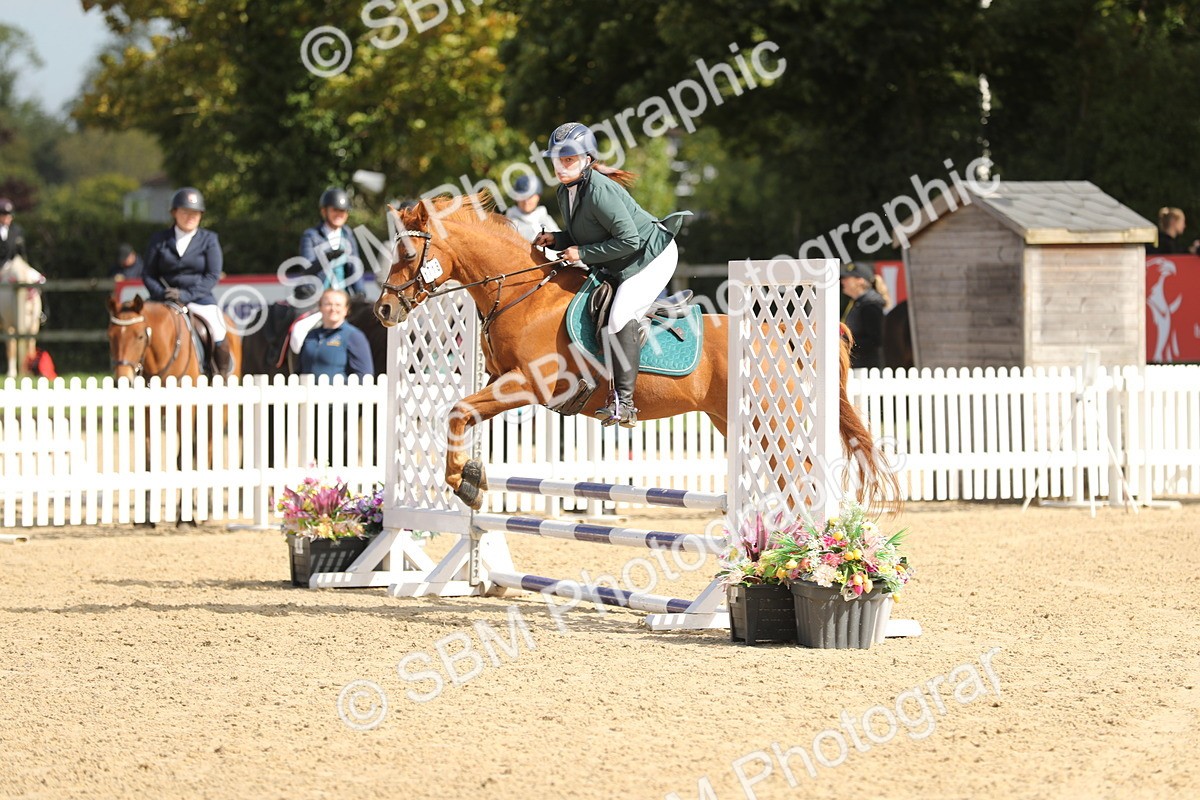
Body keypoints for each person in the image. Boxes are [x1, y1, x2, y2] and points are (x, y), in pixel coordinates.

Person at [532, 122, 689, 428]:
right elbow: (588, 232)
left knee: (619, 316)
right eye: (557, 160)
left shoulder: (600, 190)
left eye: (568, 160)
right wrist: (558, 239)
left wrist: (583, 254)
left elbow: (629, 240)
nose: (561, 167)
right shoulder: (566, 192)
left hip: (651, 256)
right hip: (623, 258)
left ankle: (624, 404)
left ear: (586, 159)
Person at [142, 187, 234, 376]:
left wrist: (186, 295)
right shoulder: (159, 240)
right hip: (163, 299)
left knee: (218, 329)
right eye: (185, 212)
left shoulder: (209, 239)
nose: (190, 217)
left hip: (199, 299)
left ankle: (220, 376)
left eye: (195, 213)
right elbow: (148, 273)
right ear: (174, 213)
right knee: (138, 327)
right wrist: (162, 293)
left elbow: (212, 275)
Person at [291, 187, 366, 354]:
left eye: (343, 211)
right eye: (335, 210)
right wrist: (327, 256)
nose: (339, 214)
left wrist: (360, 291)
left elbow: (355, 265)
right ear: (324, 211)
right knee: (298, 331)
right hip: (317, 295)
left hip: (343, 294)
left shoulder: (348, 234)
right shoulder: (311, 235)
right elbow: (307, 268)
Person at [297, 288, 373, 380]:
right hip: (307, 392)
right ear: (320, 307)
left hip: (338, 393)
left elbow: (364, 375)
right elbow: (299, 369)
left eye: (338, 305)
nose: (333, 308)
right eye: (328, 304)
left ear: (346, 309)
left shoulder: (354, 336)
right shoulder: (311, 335)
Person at [840, 261, 885, 369]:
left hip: (865, 368)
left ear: (860, 280)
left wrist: (844, 344)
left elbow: (874, 341)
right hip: (858, 366)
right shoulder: (858, 303)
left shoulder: (870, 306)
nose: (842, 281)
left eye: (847, 278)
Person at [505, 174, 560, 243]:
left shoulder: (545, 217)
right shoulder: (510, 223)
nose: (526, 201)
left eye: (530, 197)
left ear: (538, 197)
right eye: (522, 197)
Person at [0, 198, 28, 263]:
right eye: (4, 215)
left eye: (9, 215)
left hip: (11, 267)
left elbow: (21, 252)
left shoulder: (17, 230)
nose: (7, 218)